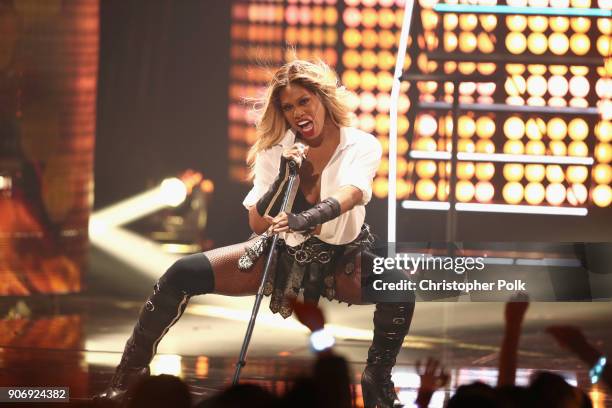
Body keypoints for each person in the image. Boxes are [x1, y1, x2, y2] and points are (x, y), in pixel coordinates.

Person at [95, 59, 415, 408]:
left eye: (304, 102)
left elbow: (351, 194)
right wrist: (282, 176)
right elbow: (257, 223)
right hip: (280, 254)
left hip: (341, 256)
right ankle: (127, 381)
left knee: (399, 290)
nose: (297, 113)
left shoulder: (360, 144)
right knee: (179, 274)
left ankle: (376, 384)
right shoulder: (275, 150)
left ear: (322, 99)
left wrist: (304, 218)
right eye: (288, 107)